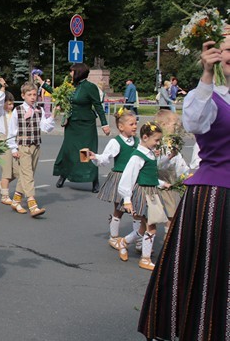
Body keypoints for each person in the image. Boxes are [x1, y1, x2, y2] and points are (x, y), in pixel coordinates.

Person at [138, 37, 230, 341]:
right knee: (185, 266)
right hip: (212, 197)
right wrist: (206, 74)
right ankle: (158, 332)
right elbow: (192, 122)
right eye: (227, 48)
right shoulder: (206, 97)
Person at [36, 65, 110, 193]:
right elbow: (58, 94)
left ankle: (94, 179)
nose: (70, 73)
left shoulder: (90, 87)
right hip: (71, 125)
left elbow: (98, 106)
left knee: (85, 153)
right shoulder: (71, 86)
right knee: (69, 151)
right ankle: (64, 175)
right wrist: (42, 84)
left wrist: (105, 124)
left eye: (72, 71)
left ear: (78, 72)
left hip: (86, 126)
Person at [115, 122, 165, 270]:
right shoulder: (137, 156)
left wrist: (161, 183)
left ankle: (123, 242)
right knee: (152, 226)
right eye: (156, 140)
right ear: (145, 137)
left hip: (151, 192)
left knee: (144, 227)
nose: (157, 143)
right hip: (143, 194)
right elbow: (128, 178)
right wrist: (127, 200)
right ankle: (145, 258)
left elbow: (149, 175)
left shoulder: (149, 153)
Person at [88, 108, 138, 251]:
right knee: (119, 209)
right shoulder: (116, 142)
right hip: (121, 178)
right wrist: (95, 157)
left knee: (137, 210)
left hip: (135, 179)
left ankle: (139, 238)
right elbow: (106, 158)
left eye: (136, 123)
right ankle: (114, 236)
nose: (135, 126)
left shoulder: (138, 141)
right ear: (121, 127)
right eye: (131, 124)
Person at [7, 83, 55, 217]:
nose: (33, 97)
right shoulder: (18, 110)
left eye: (34, 94)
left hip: (36, 145)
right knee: (27, 174)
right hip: (23, 146)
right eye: (29, 95)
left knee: (28, 174)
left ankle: (16, 200)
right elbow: (12, 131)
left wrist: (52, 116)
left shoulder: (40, 110)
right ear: (23, 96)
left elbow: (46, 128)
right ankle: (32, 204)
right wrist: (13, 148)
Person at [0, 78, 16, 205]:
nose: (10, 106)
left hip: (12, 142)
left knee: (17, 170)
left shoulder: (14, 114)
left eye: (12, 103)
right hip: (2, 141)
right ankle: (5, 196)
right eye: (8, 103)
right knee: (7, 169)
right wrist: (2, 88)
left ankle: (2, 183)